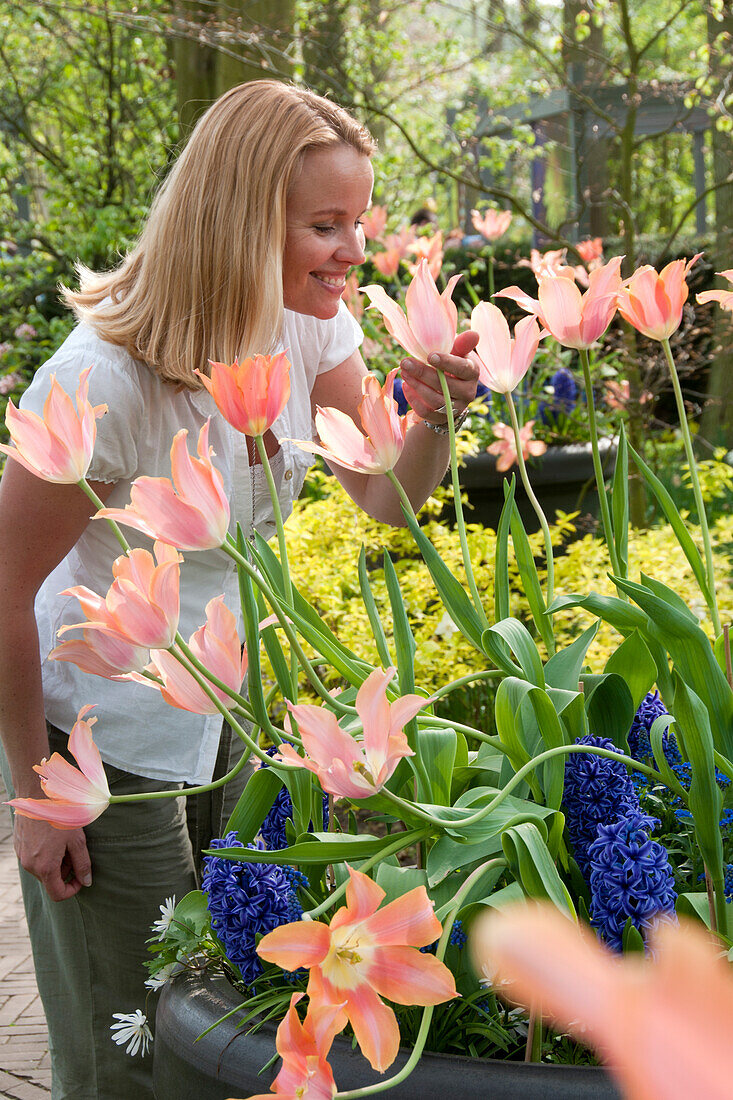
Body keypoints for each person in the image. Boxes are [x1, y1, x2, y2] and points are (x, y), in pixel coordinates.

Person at [0, 80, 479, 1099]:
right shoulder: (102, 379)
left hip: (236, 702)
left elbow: (384, 497)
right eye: (324, 224)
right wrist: (35, 790)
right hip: (104, 728)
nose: (354, 248)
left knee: (228, 1002)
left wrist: (432, 415)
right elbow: (2, 589)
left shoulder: (312, 329)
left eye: (357, 220)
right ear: (239, 215)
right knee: (127, 1020)